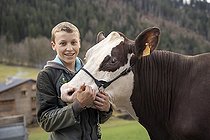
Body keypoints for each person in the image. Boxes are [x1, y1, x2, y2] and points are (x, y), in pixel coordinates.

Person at [36, 21, 113, 140]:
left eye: (73, 42)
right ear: (53, 45)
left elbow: (100, 119)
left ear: (79, 43)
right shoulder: (46, 76)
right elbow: (46, 121)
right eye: (62, 43)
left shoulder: (91, 73)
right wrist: (78, 105)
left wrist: (106, 108)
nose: (69, 48)